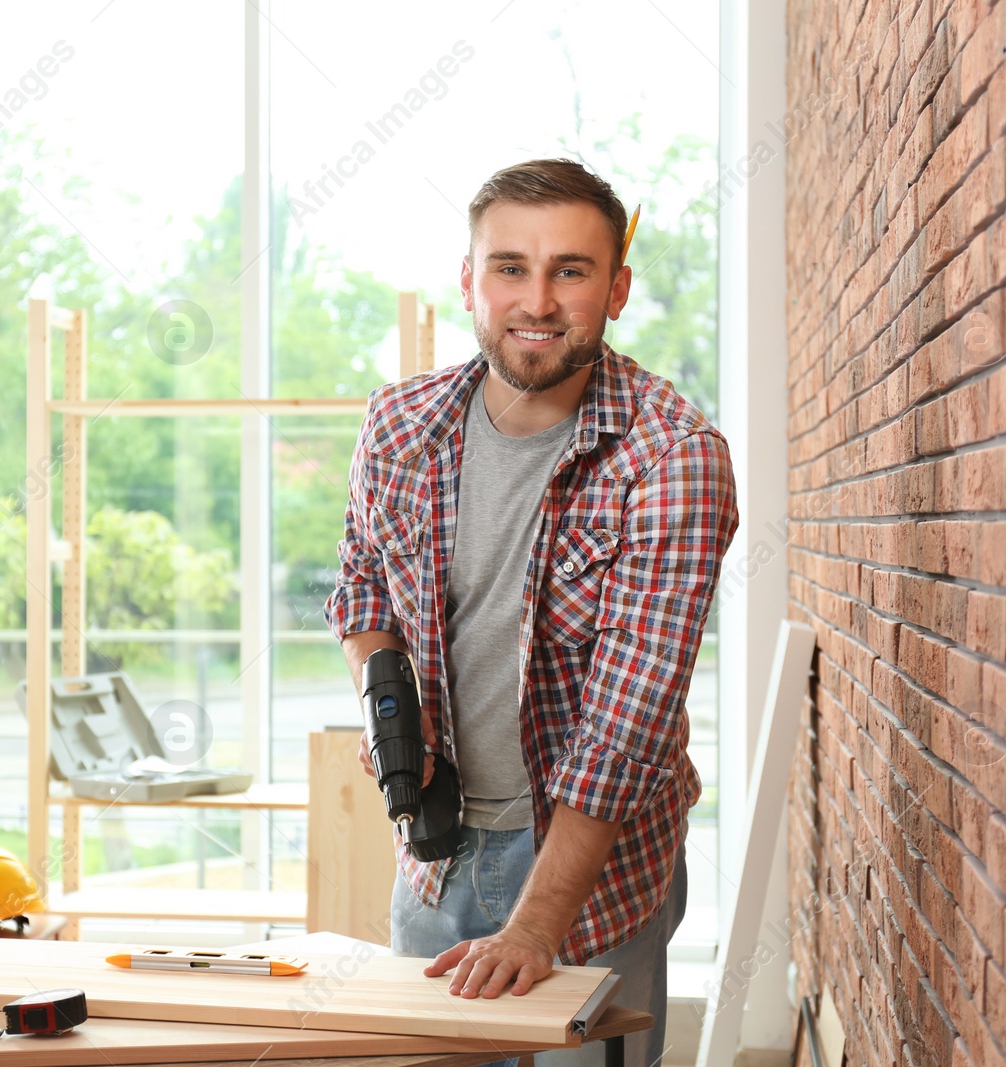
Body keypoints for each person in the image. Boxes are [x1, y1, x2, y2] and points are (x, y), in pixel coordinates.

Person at [324, 158, 738, 1067]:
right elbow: (360, 587)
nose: (537, 300)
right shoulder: (401, 423)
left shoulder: (670, 460)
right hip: (432, 855)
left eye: (572, 270)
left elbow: (625, 726)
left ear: (617, 288)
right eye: (510, 267)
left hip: (590, 877)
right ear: (470, 280)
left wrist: (535, 926)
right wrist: (387, 696)